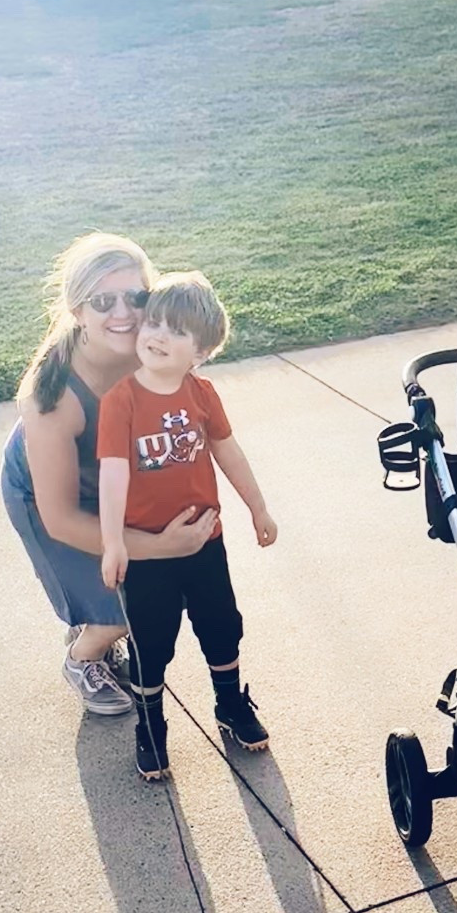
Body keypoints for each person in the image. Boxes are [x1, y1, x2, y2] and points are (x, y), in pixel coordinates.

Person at [2, 234, 222, 715]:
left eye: (136, 297)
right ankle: (83, 656)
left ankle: (99, 621)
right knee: (132, 604)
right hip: (48, 495)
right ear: (77, 310)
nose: (123, 313)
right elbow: (60, 520)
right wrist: (161, 546)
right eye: (103, 301)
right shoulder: (51, 395)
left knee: (159, 590)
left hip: (112, 476)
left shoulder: (148, 346)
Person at [98, 272, 277, 780]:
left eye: (175, 331)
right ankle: (151, 724)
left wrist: (257, 508)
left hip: (205, 544)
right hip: (148, 556)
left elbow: (227, 451)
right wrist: (114, 543)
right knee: (152, 644)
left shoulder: (201, 393)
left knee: (222, 628)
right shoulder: (122, 401)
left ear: (200, 350)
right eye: (152, 322)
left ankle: (230, 703)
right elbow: (112, 474)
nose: (157, 335)